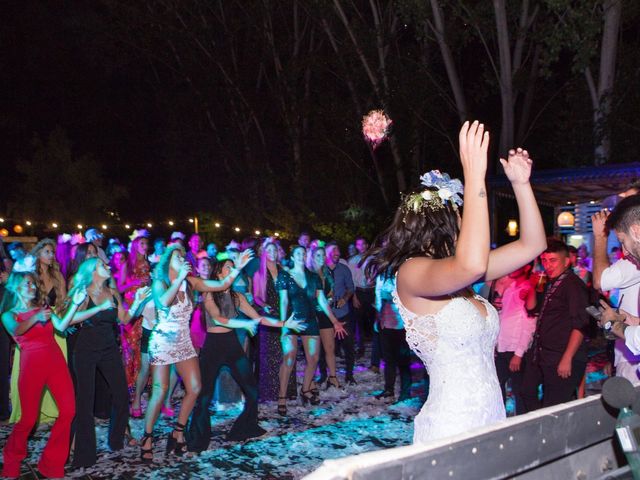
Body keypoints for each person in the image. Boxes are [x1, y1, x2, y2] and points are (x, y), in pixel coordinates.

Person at [365, 121, 546, 443]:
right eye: (462, 216)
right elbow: (473, 262)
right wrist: (475, 176)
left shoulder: (461, 272)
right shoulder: (412, 272)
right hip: (452, 425)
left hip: (491, 416)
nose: (468, 224)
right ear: (443, 224)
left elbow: (533, 245)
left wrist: (521, 185)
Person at [139, 243, 252, 462]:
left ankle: (178, 431)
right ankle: (147, 436)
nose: (183, 260)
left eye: (184, 257)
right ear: (167, 261)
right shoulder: (160, 282)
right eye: (177, 257)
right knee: (160, 390)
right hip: (163, 341)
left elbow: (221, 284)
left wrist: (237, 268)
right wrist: (180, 278)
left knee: (195, 387)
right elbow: (163, 303)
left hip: (183, 341)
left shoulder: (191, 282)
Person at [187, 259, 305, 451]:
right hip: (213, 347)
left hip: (232, 345)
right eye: (227, 266)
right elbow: (219, 319)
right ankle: (197, 437)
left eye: (233, 267)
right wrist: (245, 324)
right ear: (218, 274)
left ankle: (244, 428)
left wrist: (285, 324)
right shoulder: (209, 294)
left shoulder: (238, 297)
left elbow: (258, 318)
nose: (231, 269)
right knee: (204, 396)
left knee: (251, 390)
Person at [1, 261, 86, 479]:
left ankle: (51, 463)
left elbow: (61, 326)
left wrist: (75, 304)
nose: (33, 287)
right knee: (28, 420)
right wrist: (35, 317)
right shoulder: (9, 314)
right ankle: (11, 459)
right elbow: (17, 330)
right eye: (27, 284)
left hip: (55, 362)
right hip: (32, 366)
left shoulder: (43, 309)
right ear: (14, 287)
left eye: (33, 284)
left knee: (68, 411)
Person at [67, 258, 150, 468]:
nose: (108, 267)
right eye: (103, 266)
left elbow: (124, 319)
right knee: (85, 402)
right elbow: (70, 319)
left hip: (109, 350)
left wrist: (138, 302)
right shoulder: (83, 292)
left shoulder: (113, 293)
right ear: (92, 271)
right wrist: (98, 308)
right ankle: (84, 455)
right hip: (85, 350)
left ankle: (115, 442)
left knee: (121, 394)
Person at [276, 245, 347, 415]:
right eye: (298, 253)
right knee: (289, 358)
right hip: (292, 321)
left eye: (303, 253)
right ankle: (282, 397)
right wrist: (283, 325)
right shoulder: (285, 275)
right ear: (292, 257)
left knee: (314, 358)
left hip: (310, 320)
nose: (301, 255)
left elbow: (322, 301)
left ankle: (305, 388)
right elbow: (283, 301)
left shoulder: (313, 277)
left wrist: (335, 321)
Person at [521, 239, 590, 412]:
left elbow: (580, 325)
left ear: (566, 261)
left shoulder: (573, 285)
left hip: (562, 355)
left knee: (553, 407)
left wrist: (567, 358)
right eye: (545, 261)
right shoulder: (551, 282)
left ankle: (549, 435)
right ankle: (539, 428)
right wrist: (532, 285)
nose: (548, 265)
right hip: (543, 354)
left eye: (553, 261)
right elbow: (531, 309)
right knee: (527, 391)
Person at [10, 239, 68, 424]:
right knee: (30, 374)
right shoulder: (30, 277)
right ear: (38, 254)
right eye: (47, 252)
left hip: (54, 323)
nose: (51, 255)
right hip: (32, 329)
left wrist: (64, 316)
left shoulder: (58, 276)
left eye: (52, 252)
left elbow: (64, 301)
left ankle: (54, 411)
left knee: (57, 372)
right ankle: (29, 415)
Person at [592, 207, 640, 385]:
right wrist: (626, 318)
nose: (624, 251)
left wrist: (600, 237)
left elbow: (600, 280)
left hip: (633, 358)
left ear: (636, 231)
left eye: (622, 240)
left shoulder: (634, 263)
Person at [252, 238, 297, 401]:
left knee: (287, 352)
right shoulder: (260, 273)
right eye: (269, 251)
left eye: (274, 250)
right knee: (270, 355)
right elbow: (256, 296)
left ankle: (286, 391)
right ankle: (270, 392)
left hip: (286, 314)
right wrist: (264, 305)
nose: (272, 253)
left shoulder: (284, 270)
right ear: (264, 253)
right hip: (269, 316)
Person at [493, 265, 536, 415]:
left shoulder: (528, 288)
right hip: (502, 347)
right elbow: (503, 318)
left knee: (520, 391)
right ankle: (499, 421)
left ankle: (522, 423)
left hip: (516, 349)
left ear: (527, 266)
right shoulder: (510, 287)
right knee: (497, 387)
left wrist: (519, 354)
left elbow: (530, 324)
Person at [373, 272, 412, 402]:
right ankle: (389, 390)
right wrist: (378, 317)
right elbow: (378, 296)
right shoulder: (381, 276)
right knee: (389, 359)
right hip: (386, 321)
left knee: (403, 361)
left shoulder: (403, 273)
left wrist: (391, 296)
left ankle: (405, 392)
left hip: (402, 323)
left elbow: (409, 297)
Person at [325, 243, 356, 385]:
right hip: (326, 315)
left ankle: (349, 375)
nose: (337, 252)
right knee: (325, 348)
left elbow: (351, 288)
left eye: (338, 250)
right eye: (334, 250)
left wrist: (345, 298)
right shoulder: (320, 271)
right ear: (326, 253)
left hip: (343, 313)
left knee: (348, 345)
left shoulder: (344, 269)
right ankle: (324, 375)